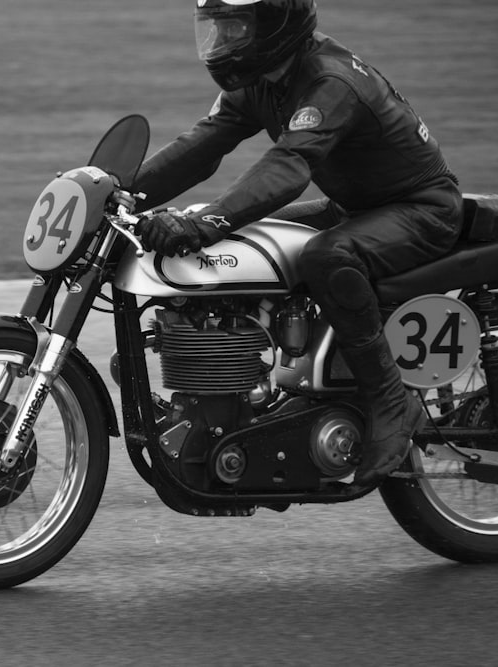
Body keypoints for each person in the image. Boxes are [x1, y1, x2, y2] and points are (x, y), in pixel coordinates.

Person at [123, 0, 464, 490]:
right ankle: (257, 387)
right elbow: (202, 145)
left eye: (235, 27)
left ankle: (391, 399)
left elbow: (287, 169)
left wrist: (207, 222)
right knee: (253, 243)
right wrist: (121, 192)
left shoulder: (331, 83)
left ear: (275, 27)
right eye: (216, 27)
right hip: (357, 207)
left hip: (421, 209)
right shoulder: (264, 78)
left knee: (326, 255)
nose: (221, 42)